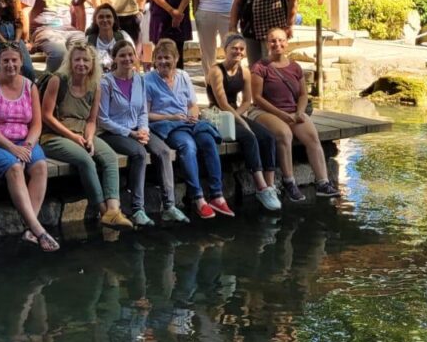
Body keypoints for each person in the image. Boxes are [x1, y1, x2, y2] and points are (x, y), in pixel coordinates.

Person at [0, 47, 58, 252]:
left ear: (21, 62)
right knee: (15, 168)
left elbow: (36, 124)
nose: (10, 65)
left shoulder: (29, 86)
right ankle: (38, 230)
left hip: (22, 140)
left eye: (14, 61)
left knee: (40, 166)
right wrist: (12, 148)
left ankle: (29, 231)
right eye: (5, 60)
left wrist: (27, 144)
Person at [40, 40, 132, 229]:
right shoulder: (58, 80)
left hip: (82, 134)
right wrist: (73, 137)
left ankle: (114, 209)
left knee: (110, 157)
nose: (81, 64)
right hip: (54, 136)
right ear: (70, 62)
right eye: (77, 60)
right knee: (85, 160)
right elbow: (46, 116)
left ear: (92, 64)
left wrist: (89, 138)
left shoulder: (95, 86)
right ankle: (104, 211)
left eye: (86, 60)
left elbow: (91, 120)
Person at [97, 39, 187, 227]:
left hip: (138, 130)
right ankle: (138, 209)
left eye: (130, 55)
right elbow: (103, 119)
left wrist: (144, 128)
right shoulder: (106, 83)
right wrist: (131, 133)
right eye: (122, 55)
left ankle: (169, 206)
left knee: (162, 151)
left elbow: (143, 112)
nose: (127, 58)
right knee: (138, 153)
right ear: (114, 58)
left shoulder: (139, 79)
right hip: (113, 132)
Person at [145, 38, 233, 220]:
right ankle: (198, 197)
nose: (163, 62)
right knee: (188, 145)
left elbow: (193, 105)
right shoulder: (147, 80)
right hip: (165, 125)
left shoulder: (183, 76)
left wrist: (193, 114)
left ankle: (217, 194)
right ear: (154, 60)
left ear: (176, 59)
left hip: (186, 122)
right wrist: (170, 117)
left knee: (208, 141)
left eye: (167, 58)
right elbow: (145, 114)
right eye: (159, 58)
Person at [249, 27, 339, 201]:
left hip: (292, 111)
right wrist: (282, 115)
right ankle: (289, 181)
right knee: (284, 133)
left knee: (312, 135)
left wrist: (299, 111)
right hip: (265, 111)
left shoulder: (295, 67)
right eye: (273, 41)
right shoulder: (260, 67)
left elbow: (303, 95)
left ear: (287, 42)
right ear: (267, 43)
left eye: (281, 40)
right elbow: (257, 98)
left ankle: (322, 182)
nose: (277, 44)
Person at [206, 32, 281, 212]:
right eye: (234, 49)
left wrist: (239, 116)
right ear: (225, 50)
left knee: (268, 137)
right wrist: (241, 121)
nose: (238, 52)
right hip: (217, 115)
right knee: (248, 136)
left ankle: (270, 186)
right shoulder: (216, 71)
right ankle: (260, 187)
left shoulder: (245, 72)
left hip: (235, 112)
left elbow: (247, 100)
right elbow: (222, 103)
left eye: (241, 49)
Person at [86, 3, 135, 72]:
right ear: (95, 20)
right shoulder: (88, 40)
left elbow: (134, 61)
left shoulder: (123, 37)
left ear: (114, 19)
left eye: (108, 16)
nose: (105, 20)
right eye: (101, 17)